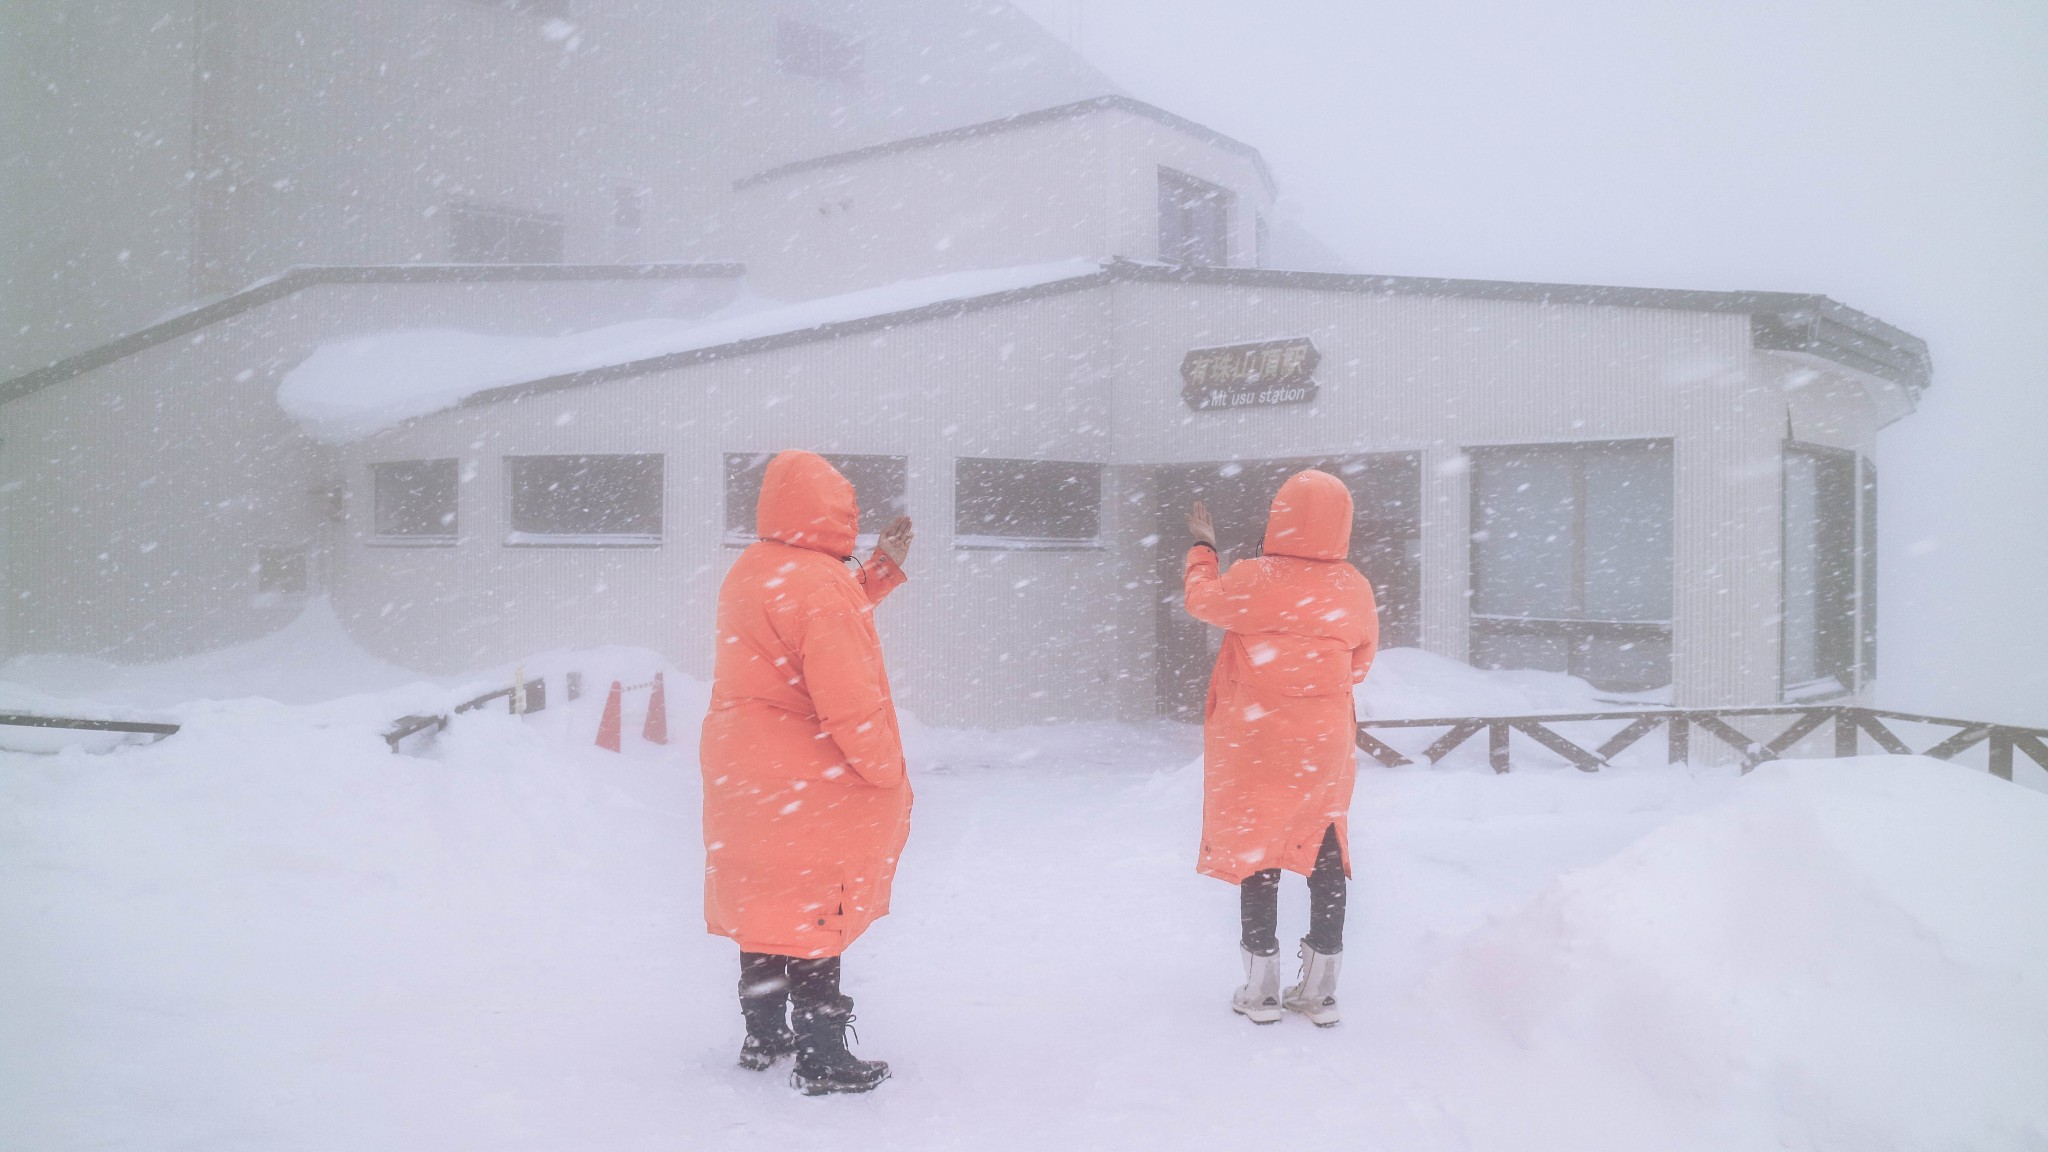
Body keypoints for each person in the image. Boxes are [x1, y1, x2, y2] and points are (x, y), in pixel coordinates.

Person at [699, 450, 915, 1095]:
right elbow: (847, 698)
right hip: (807, 773)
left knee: (766, 902)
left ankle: (764, 1035)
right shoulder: (820, 585)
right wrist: (885, 772)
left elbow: (801, 621)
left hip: (745, 770)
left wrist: (879, 571)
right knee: (818, 909)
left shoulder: (754, 567)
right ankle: (823, 1055)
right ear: (831, 510)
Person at [1183, 470, 1378, 1027]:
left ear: (1281, 517)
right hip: (1323, 739)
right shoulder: (1354, 586)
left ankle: (1261, 987)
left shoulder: (1254, 578)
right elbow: (1360, 663)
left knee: (1257, 848)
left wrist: (1203, 549)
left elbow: (1201, 601)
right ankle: (1320, 991)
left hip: (1257, 737)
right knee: (1323, 849)